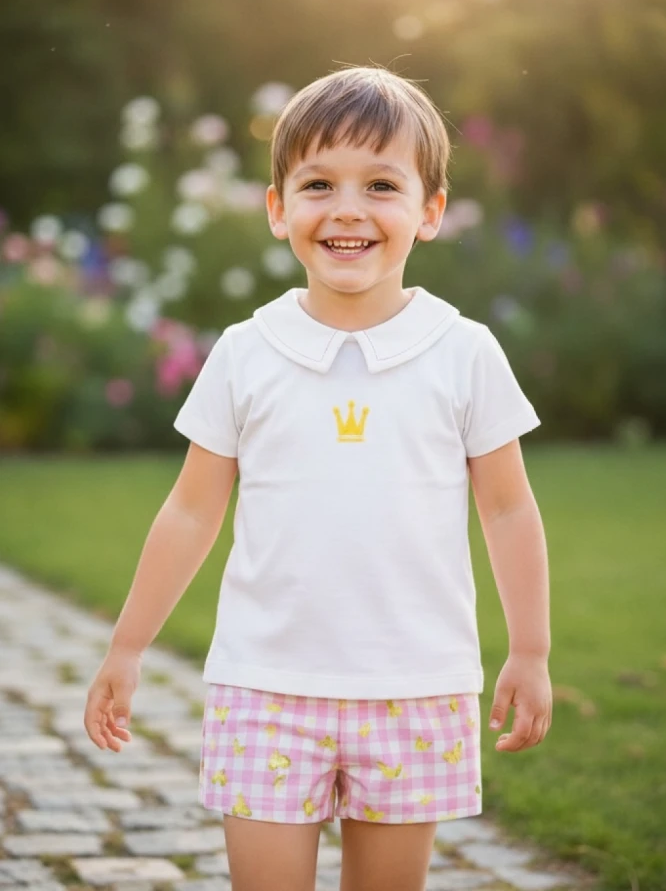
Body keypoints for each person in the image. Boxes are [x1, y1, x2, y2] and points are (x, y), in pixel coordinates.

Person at [84, 66, 552, 891]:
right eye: (317, 184)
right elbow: (191, 513)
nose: (346, 209)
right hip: (266, 686)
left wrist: (532, 650)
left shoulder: (463, 351)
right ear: (278, 210)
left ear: (430, 211)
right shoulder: (244, 352)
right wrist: (127, 645)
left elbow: (509, 509)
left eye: (381, 184)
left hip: (414, 688)